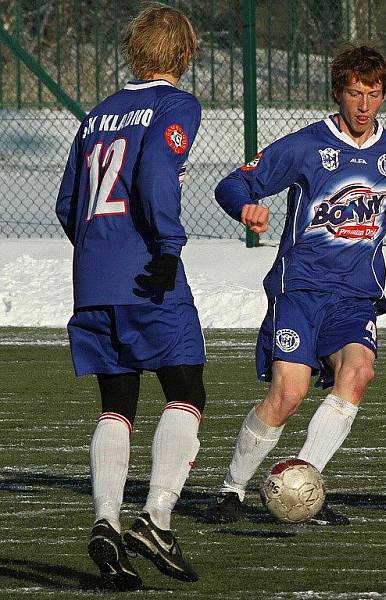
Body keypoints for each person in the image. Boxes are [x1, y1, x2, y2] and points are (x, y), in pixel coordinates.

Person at [206, 44, 386, 525]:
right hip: (301, 292)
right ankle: (232, 489)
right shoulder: (305, 146)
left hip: (355, 296)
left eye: (374, 95)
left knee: (357, 375)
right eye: (355, 93)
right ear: (338, 93)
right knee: (288, 394)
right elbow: (233, 183)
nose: (363, 106)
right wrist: (245, 207)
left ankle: (303, 484)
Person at [55, 5, 205, 589]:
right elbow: (153, 177)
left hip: (93, 274)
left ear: (132, 50)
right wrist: (166, 245)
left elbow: (69, 203)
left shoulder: (96, 115)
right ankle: (158, 519)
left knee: (116, 403)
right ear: (185, 52)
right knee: (185, 388)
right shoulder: (176, 105)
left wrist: (100, 248)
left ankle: (105, 521)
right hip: (147, 271)